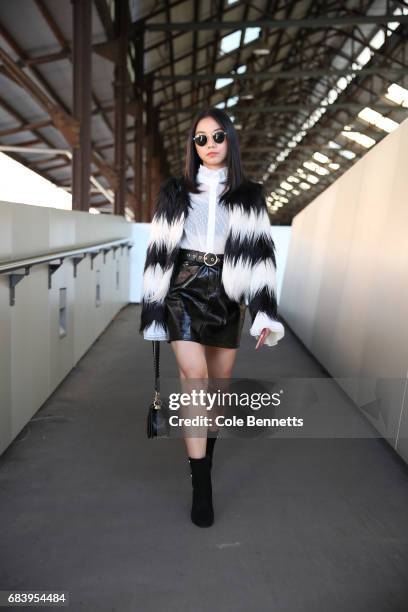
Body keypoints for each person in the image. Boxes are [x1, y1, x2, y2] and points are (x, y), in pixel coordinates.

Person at [139, 107, 285, 527]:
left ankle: (203, 461)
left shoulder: (249, 195)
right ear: (193, 147)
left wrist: (264, 313)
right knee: (195, 381)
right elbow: (158, 251)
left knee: (216, 395)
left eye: (216, 136)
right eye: (200, 139)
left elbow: (260, 254)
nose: (209, 145)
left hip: (227, 294)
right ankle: (200, 485)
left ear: (230, 140)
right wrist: (154, 307)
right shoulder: (174, 191)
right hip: (182, 290)